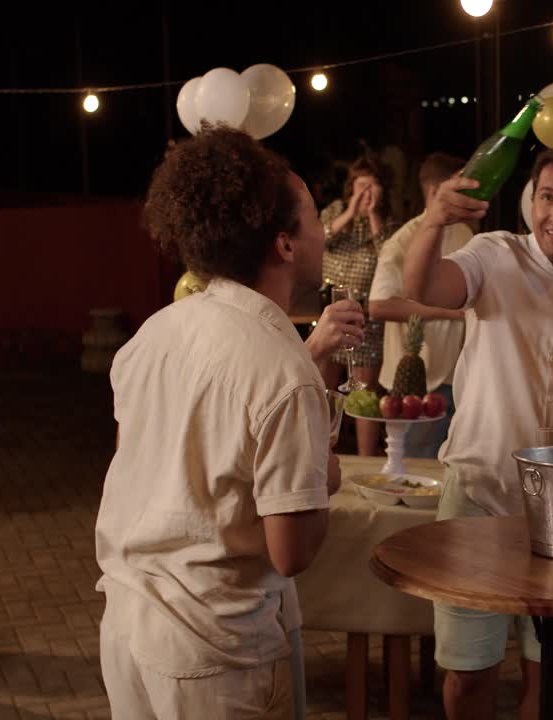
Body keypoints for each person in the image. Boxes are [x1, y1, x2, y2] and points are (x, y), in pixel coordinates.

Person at [96, 127, 354, 719]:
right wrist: (324, 477)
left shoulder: (156, 332)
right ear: (285, 244)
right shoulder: (281, 367)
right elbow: (290, 552)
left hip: (128, 630)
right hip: (215, 654)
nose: (323, 233)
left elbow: (148, 468)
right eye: (315, 217)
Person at [404, 144, 553, 720]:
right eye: (548, 197)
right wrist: (436, 219)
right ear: (530, 202)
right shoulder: (493, 255)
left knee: (551, 683)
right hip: (477, 494)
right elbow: (425, 290)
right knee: (468, 677)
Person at [368, 152, 470, 458]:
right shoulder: (403, 240)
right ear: (435, 192)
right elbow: (378, 306)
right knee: (413, 472)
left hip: (456, 374)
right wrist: (449, 313)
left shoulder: (464, 233)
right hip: (415, 380)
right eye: (459, 189)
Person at [320, 156, 397, 456]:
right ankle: (322, 454)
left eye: (372, 188)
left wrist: (374, 215)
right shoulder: (336, 212)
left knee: (363, 398)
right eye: (360, 186)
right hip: (330, 313)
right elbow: (321, 238)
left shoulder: (388, 223)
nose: (365, 194)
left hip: (367, 321)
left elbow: (390, 259)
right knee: (324, 393)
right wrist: (351, 211)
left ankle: (366, 459)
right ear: (350, 188)